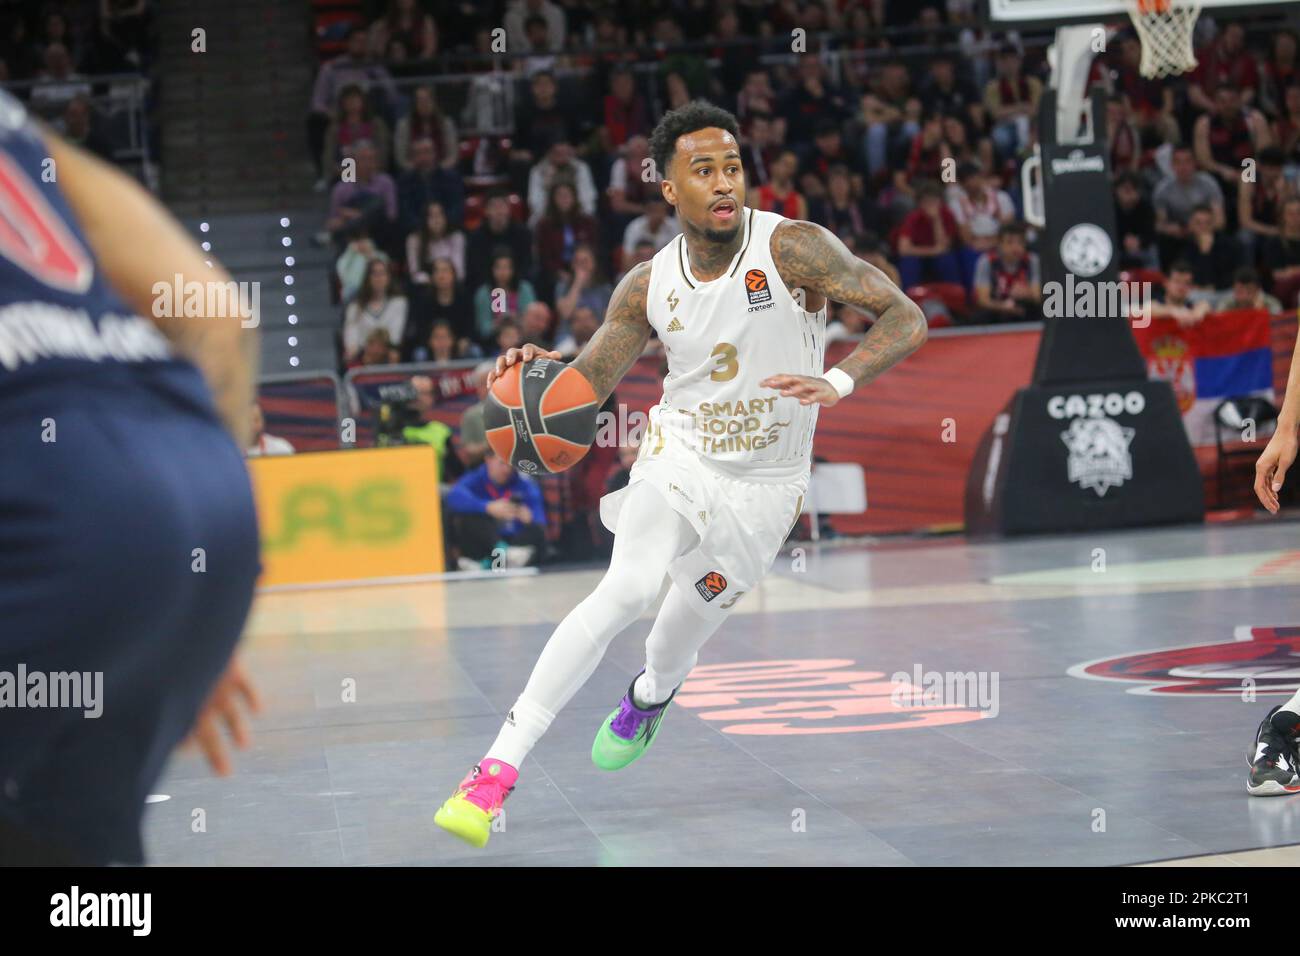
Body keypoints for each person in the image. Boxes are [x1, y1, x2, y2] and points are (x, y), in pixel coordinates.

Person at [433, 100, 926, 848]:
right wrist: (538, 379)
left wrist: (840, 380)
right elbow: (586, 382)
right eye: (703, 171)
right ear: (668, 189)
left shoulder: (794, 248)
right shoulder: (646, 285)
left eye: (732, 167)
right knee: (626, 588)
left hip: (766, 488)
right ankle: (493, 775)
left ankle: (650, 696)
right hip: (682, 454)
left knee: (670, 644)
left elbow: (904, 317)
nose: (724, 182)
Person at [0, 90, 260, 864]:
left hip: (52, 499)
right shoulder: (16, 123)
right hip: (186, 485)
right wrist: (167, 595)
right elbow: (216, 311)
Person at [445, 450, 548, 571]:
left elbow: (540, 517)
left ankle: (494, 563)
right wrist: (487, 507)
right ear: (488, 460)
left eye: (510, 465)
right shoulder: (475, 478)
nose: (507, 470)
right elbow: (453, 497)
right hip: (488, 543)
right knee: (469, 517)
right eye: (502, 464)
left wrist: (529, 517)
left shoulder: (524, 482)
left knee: (537, 530)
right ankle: (501, 557)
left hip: (514, 544)